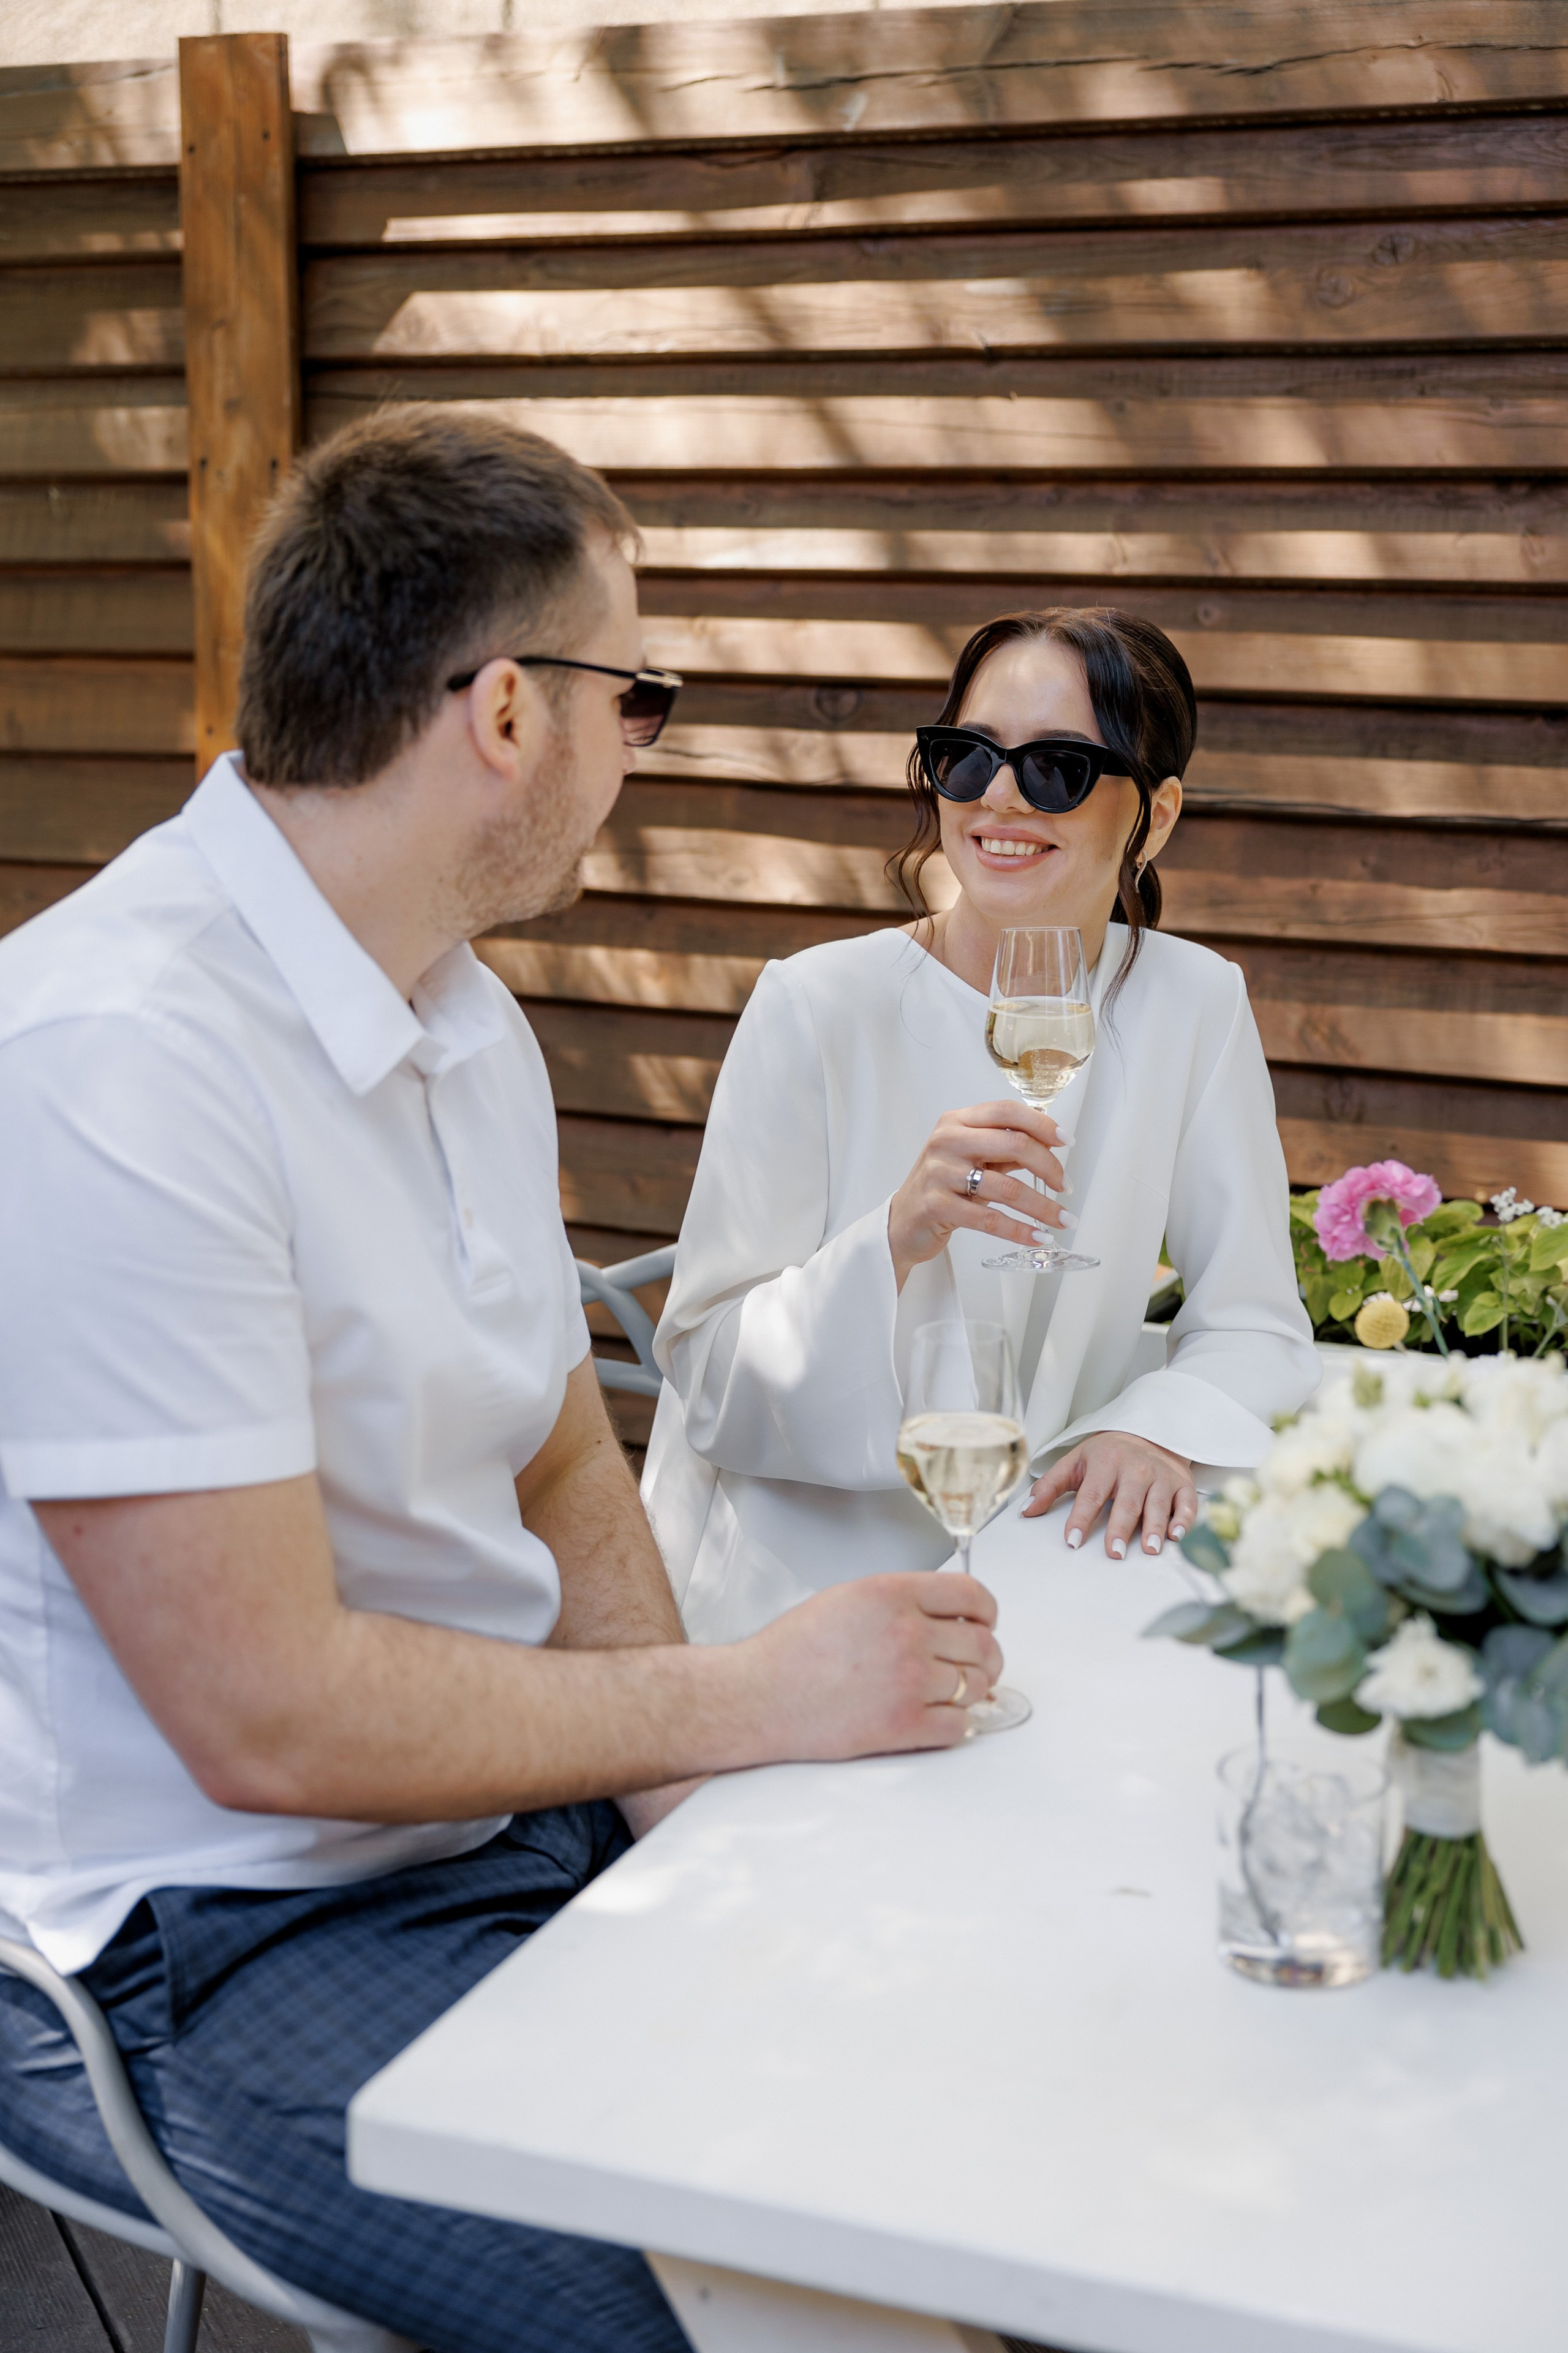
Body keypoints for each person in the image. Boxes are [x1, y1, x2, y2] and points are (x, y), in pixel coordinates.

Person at [0, 411, 1005, 2353]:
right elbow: (266, 1721)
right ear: (509, 714)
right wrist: (736, 1692)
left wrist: (678, 1777)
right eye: (642, 697)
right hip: (208, 1932)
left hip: (501, 1818)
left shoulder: (462, 1014)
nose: (645, 746)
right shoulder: (112, 1059)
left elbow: (555, 1446)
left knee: (959, 2139)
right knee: (774, 2316)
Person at [644, 608, 1319, 1644]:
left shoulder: (1194, 1003)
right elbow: (706, 1369)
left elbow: (1251, 1319)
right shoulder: (817, 1004)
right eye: (965, 759)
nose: (999, 797)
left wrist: (1154, 1428)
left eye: (1057, 768)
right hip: (801, 1596)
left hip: (1050, 1560)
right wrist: (893, 1241)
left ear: (1160, 812)